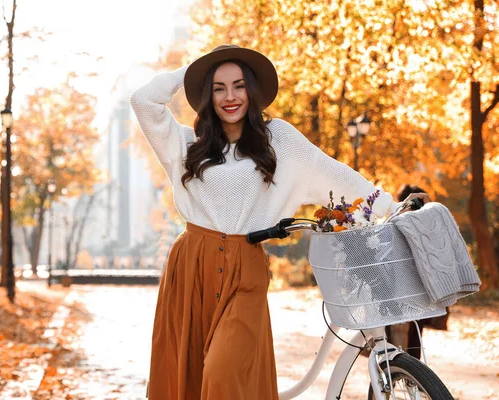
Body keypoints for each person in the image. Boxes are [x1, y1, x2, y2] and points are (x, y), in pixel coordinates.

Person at [130, 44, 430, 400]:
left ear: (252, 91)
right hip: (191, 267)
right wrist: (193, 70)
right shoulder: (184, 144)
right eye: (218, 87)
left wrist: (390, 206)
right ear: (207, 94)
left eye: (239, 86)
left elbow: (334, 174)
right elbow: (142, 101)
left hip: (246, 270)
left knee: (222, 372)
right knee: (191, 375)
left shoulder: (281, 141)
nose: (230, 96)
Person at [386, 184, 449, 360]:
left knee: (403, 333)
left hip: (403, 292)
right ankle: (410, 374)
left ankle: (402, 373)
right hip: (413, 291)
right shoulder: (420, 228)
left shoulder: (396, 225)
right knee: (413, 334)